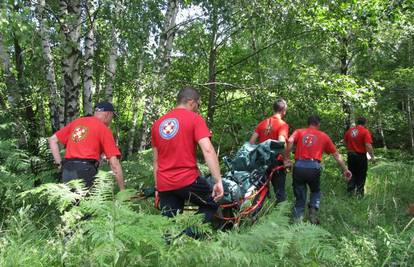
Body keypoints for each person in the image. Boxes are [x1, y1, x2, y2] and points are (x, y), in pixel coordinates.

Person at [151, 87, 224, 225]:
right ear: (191, 102)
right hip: (187, 180)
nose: (198, 108)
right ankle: (188, 234)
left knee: (169, 224)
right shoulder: (195, 119)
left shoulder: (157, 124)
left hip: (164, 183)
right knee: (212, 204)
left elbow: (156, 160)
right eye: (198, 104)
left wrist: (157, 187)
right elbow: (208, 150)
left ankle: (171, 244)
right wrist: (218, 181)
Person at [284, 115, 351, 224]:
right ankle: (313, 212)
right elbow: (336, 155)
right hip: (313, 167)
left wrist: (286, 158)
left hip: (299, 166)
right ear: (318, 124)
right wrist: (345, 169)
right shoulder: (323, 136)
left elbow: (290, 141)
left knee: (300, 194)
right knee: (315, 190)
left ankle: (297, 221)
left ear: (308, 123)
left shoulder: (299, 132)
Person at [48, 102, 125, 191]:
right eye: (112, 117)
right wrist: (122, 191)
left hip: (67, 171)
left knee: (72, 203)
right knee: (87, 204)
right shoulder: (103, 129)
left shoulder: (77, 122)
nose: (111, 120)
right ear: (108, 114)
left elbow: (52, 140)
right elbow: (114, 164)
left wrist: (59, 165)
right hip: (86, 171)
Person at [249, 99, 289, 203]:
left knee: (260, 191)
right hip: (276, 162)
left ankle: (255, 215)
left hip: (261, 162)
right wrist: (285, 159)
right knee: (279, 192)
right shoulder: (282, 124)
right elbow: (281, 143)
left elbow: (251, 142)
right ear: (283, 110)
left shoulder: (262, 123)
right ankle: (280, 215)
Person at [344, 117, 374, 197]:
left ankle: (350, 193)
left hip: (351, 155)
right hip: (361, 156)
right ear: (365, 123)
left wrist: (349, 148)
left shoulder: (349, 131)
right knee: (361, 174)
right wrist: (371, 156)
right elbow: (368, 145)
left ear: (358, 122)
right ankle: (359, 195)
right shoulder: (365, 131)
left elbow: (345, 141)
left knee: (351, 173)